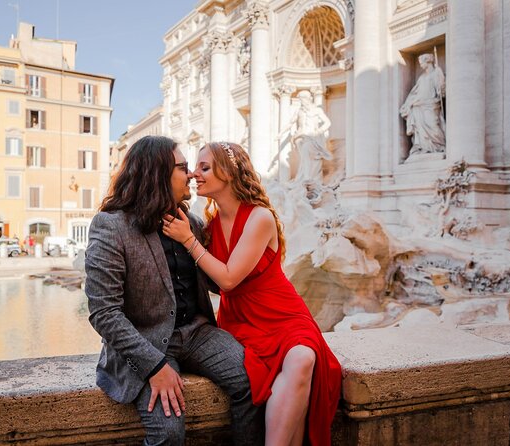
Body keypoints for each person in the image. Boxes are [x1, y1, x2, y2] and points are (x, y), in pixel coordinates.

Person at [85, 136, 263, 446]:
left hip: (197, 333)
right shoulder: (111, 226)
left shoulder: (191, 223)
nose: (192, 174)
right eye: (183, 167)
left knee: (255, 383)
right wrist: (154, 365)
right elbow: (104, 312)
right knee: (167, 433)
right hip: (145, 341)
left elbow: (222, 279)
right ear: (157, 174)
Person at [162, 142, 342, 446]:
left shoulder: (259, 217)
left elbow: (229, 279)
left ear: (229, 172)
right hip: (240, 319)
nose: (194, 174)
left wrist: (189, 242)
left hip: (281, 314)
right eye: (194, 167)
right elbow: (213, 281)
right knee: (292, 373)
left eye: (204, 167)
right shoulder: (211, 224)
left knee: (302, 358)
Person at [277, 90, 332, 185]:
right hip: (300, 137)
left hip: (312, 137)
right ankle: (305, 176)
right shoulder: (299, 111)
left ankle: (308, 176)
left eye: (301, 99)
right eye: (300, 100)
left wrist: (318, 131)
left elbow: (327, 122)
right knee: (304, 156)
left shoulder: (317, 110)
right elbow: (290, 123)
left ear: (307, 99)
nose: (301, 102)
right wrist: (281, 133)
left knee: (309, 154)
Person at [399, 53, 446, 156]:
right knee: (420, 127)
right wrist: (410, 103)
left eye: (421, 63)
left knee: (433, 125)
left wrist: (441, 88)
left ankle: (439, 146)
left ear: (428, 61)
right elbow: (415, 92)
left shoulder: (437, 72)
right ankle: (423, 147)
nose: (420, 65)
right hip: (419, 105)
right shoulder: (422, 77)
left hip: (432, 104)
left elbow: (441, 89)